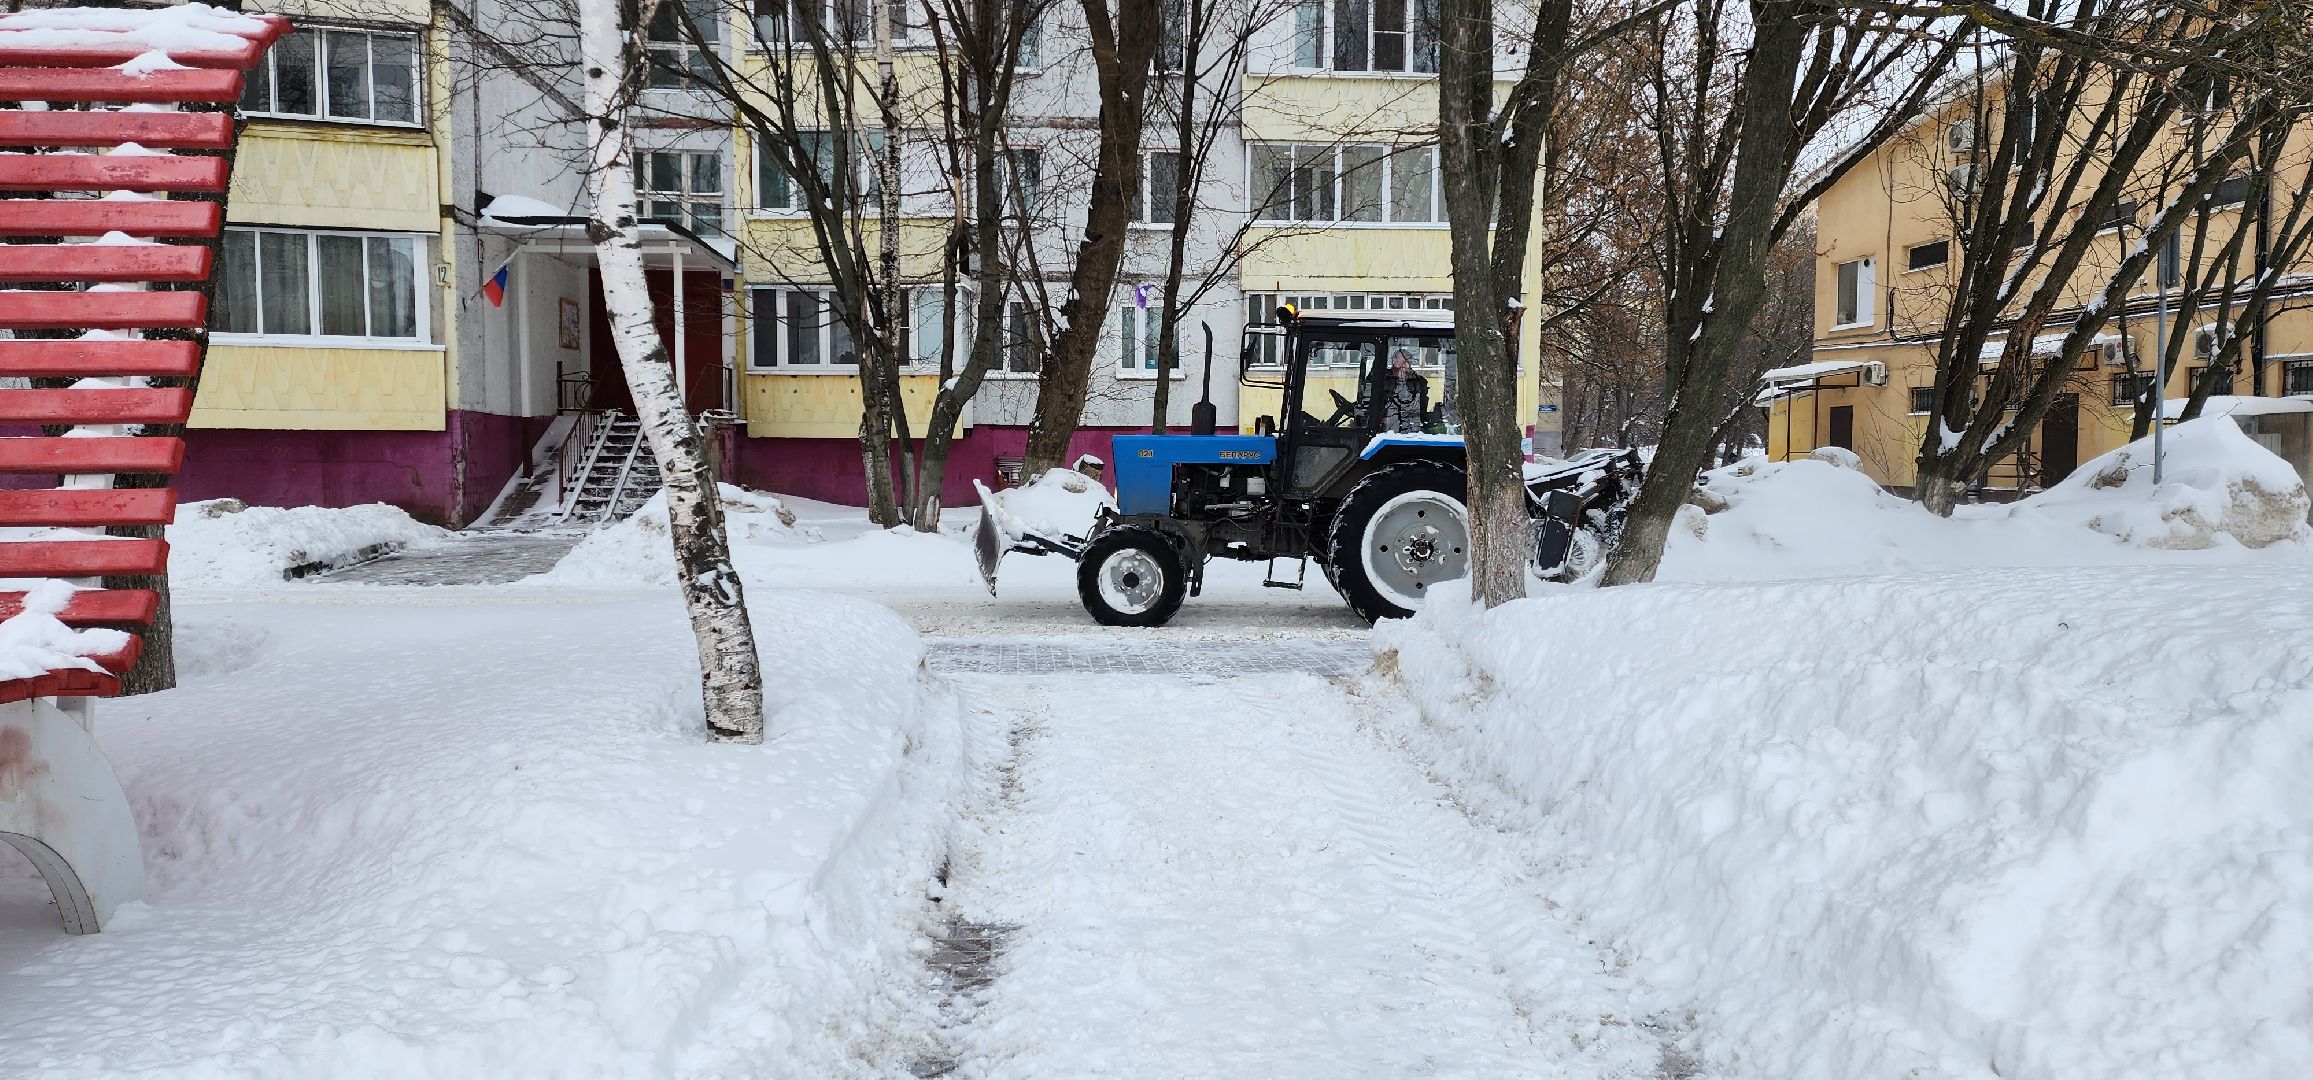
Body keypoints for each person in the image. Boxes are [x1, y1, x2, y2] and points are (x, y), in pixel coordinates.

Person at [1380, 349, 1429, 433]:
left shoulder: (1418, 381)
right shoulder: (1382, 379)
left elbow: (1422, 405)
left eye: (1408, 361)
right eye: (1403, 361)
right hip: (1388, 428)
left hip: (1413, 427)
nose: (1405, 365)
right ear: (1394, 361)